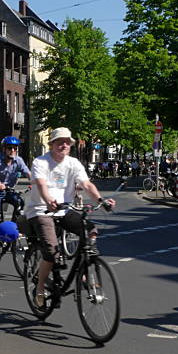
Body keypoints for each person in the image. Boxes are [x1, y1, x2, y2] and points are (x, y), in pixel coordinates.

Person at [26, 127, 115, 309]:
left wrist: (101, 200)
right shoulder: (40, 162)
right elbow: (42, 185)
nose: (64, 145)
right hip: (41, 210)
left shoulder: (73, 163)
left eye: (67, 142)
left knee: (90, 230)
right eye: (59, 141)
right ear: (51, 144)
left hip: (64, 210)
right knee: (51, 253)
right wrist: (49, 200)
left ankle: (84, 271)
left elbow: (86, 184)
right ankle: (40, 289)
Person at [0, 136, 31, 264]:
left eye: (15, 148)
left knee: (20, 202)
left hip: (9, 191)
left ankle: (12, 229)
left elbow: (27, 172)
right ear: (4, 149)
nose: (13, 150)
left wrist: (36, 182)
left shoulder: (19, 160)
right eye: (10, 148)